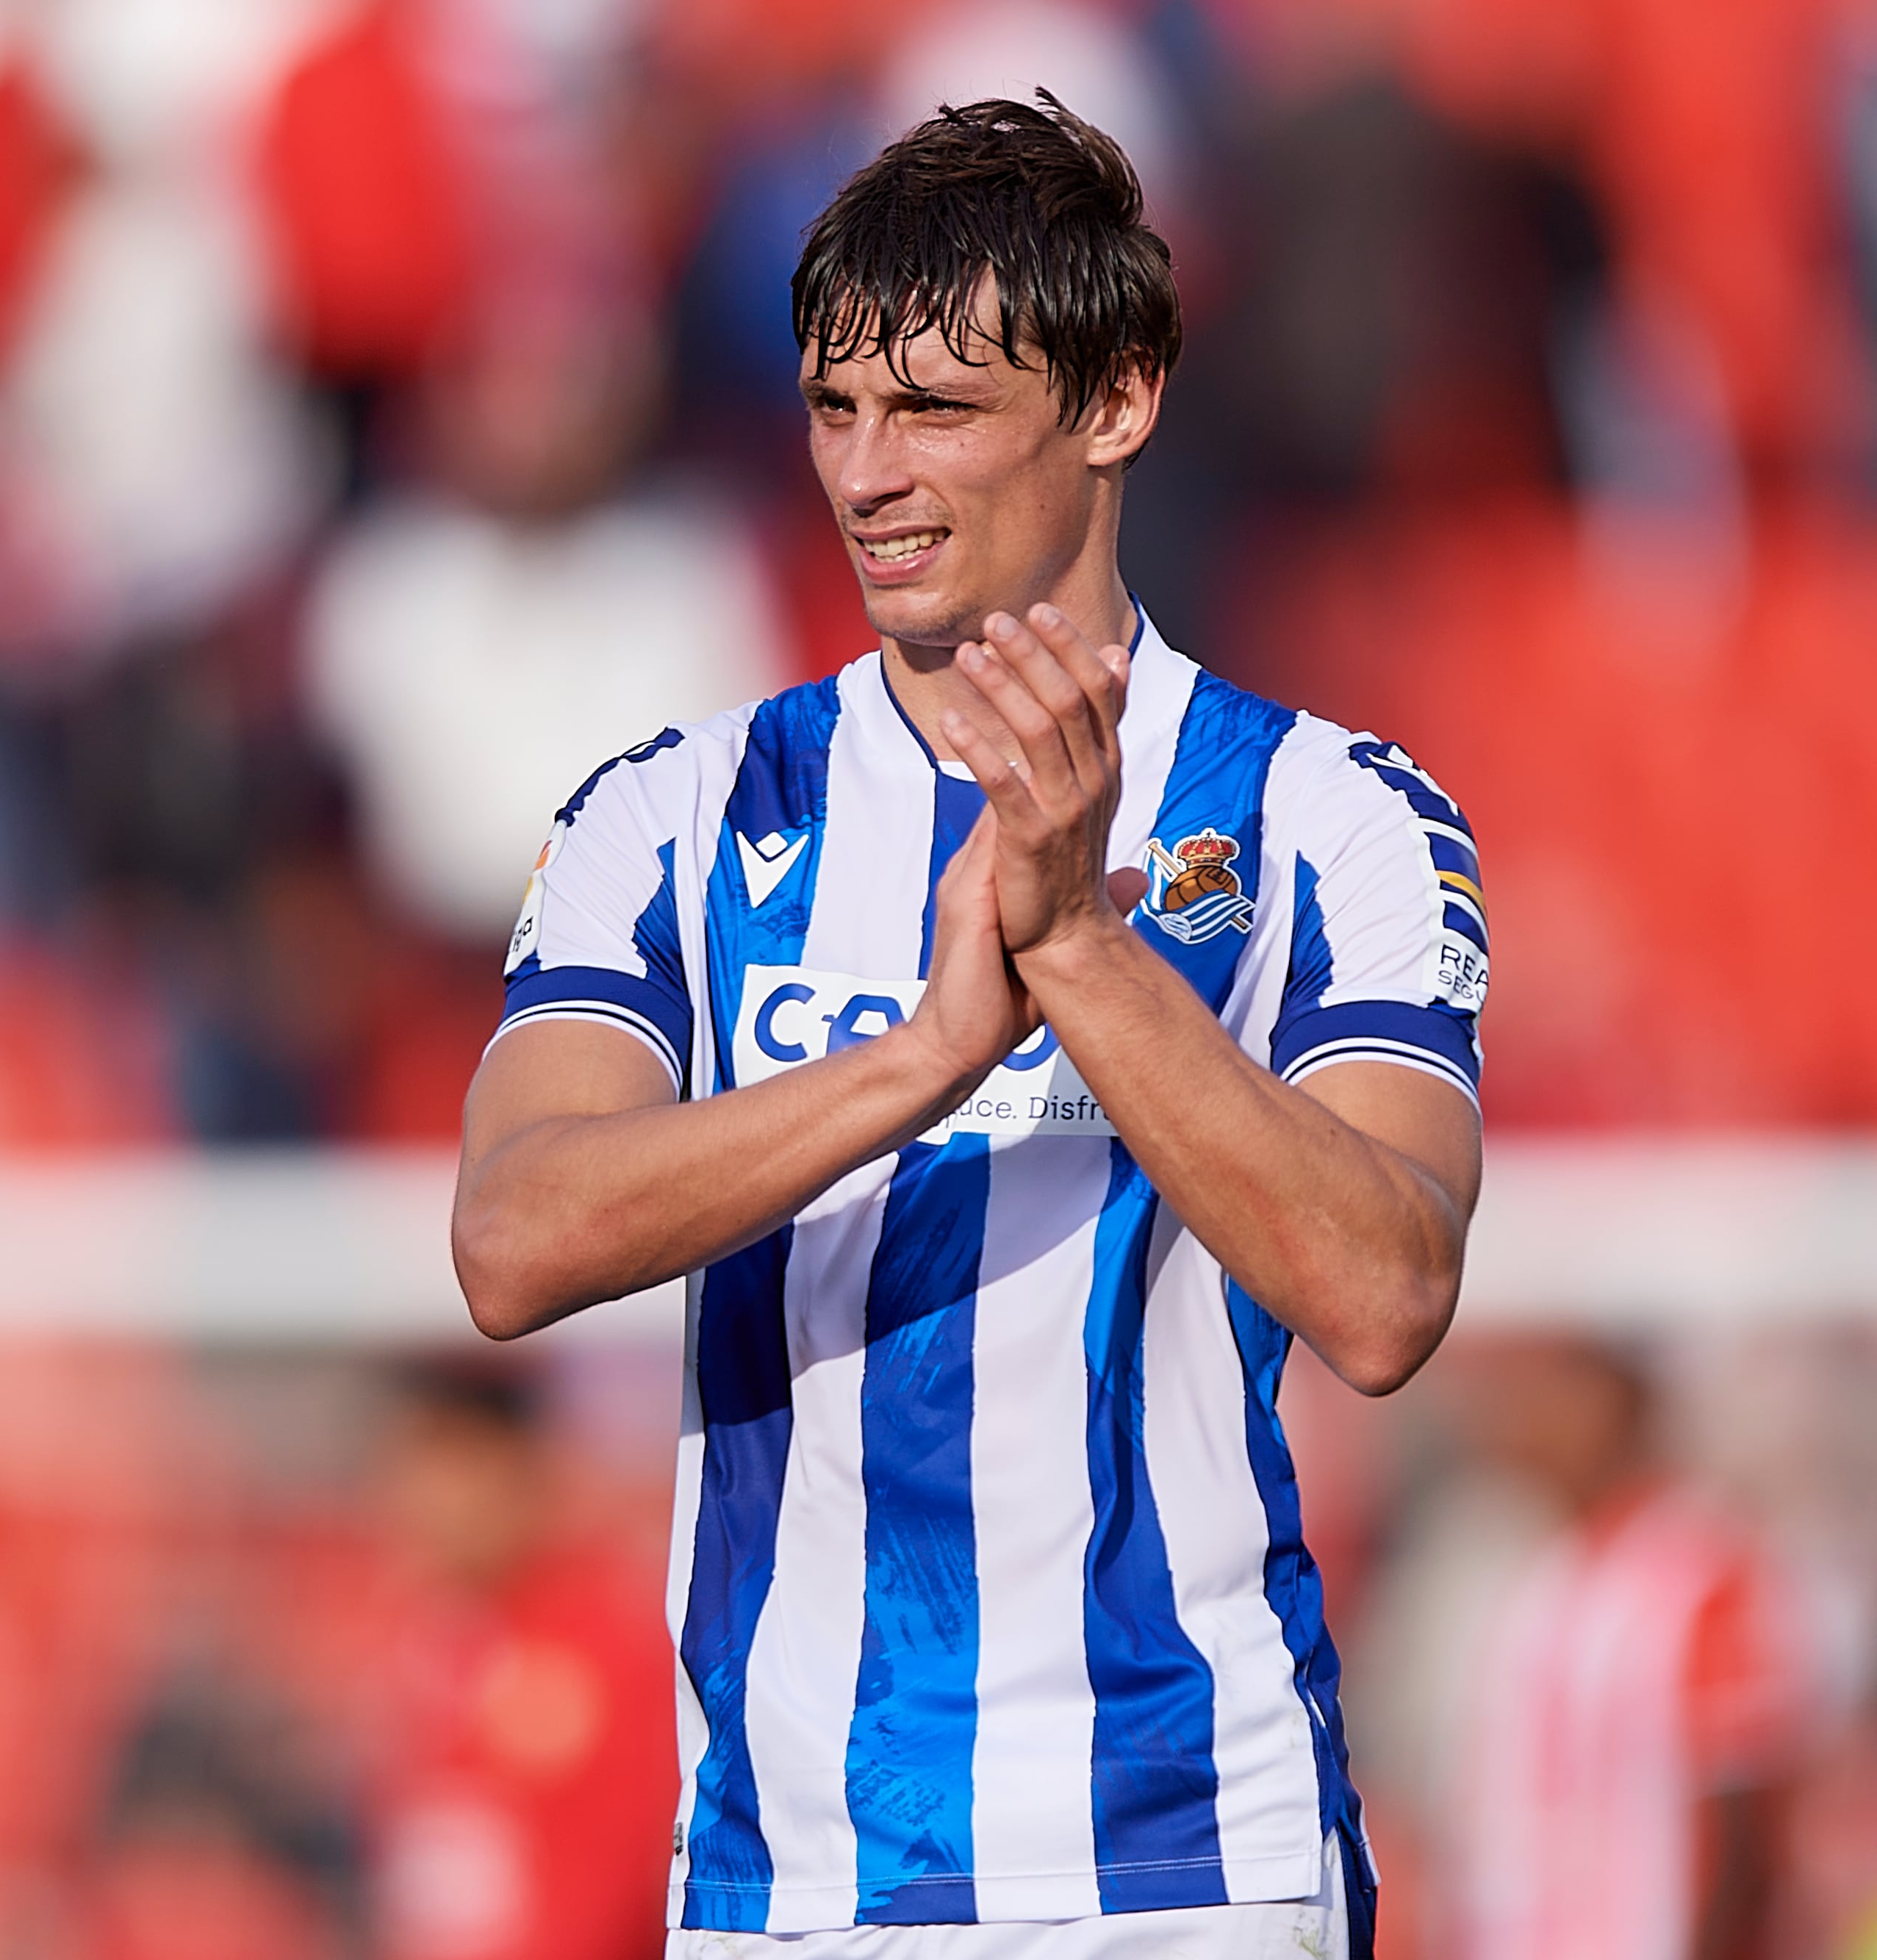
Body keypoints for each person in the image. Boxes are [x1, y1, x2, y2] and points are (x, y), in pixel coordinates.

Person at [449, 96, 1489, 1957]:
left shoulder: (1332, 813)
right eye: (834, 410)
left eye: (933, 409)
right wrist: (917, 1059)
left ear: (1117, 399)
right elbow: (512, 1239)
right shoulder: (674, 812)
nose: (865, 475)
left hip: (1187, 1860)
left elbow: (1386, 1291)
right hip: (794, 1880)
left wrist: (1075, 951)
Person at [1446, 1335, 1806, 1960]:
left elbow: (1743, 1804)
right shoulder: (1545, 1580)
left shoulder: (1701, 1566)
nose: (1532, 1420)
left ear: (1621, 1406)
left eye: (1557, 1396)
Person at [362, 1360, 678, 1960]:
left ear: (514, 1465)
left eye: (448, 1461)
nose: (420, 1497)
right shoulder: (419, 1640)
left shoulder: (605, 1641)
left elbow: (632, 1876)